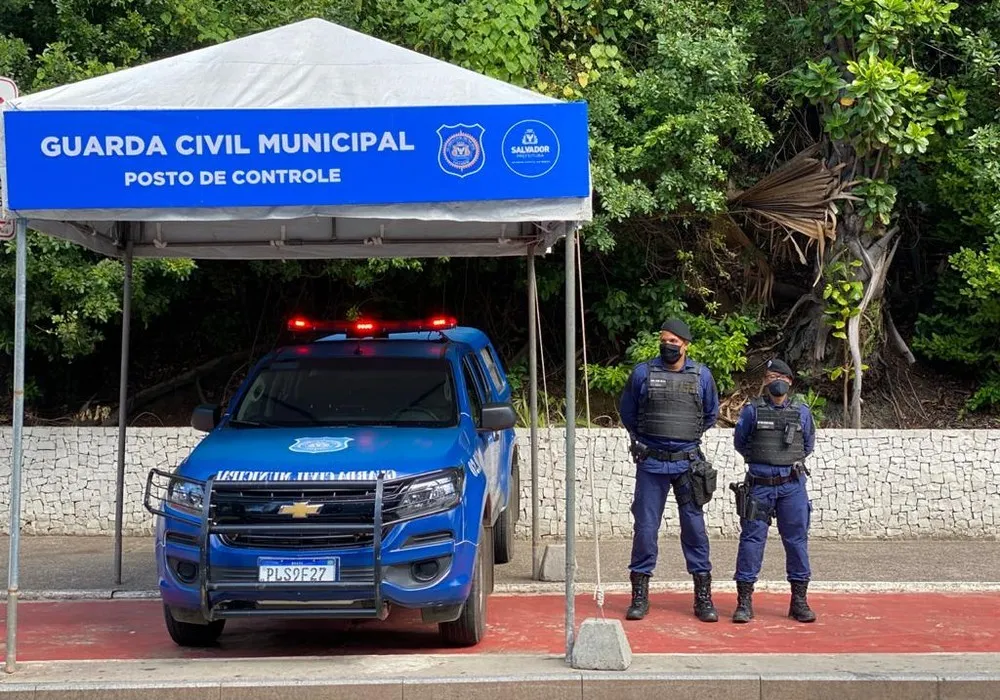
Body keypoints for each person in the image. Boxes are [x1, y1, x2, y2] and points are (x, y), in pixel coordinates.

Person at [618, 318, 720, 622]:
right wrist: (646, 441)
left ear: (686, 345)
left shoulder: (702, 376)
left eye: (674, 342)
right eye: (664, 340)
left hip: (688, 463)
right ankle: (639, 596)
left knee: (695, 529)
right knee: (646, 530)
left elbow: (710, 414)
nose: (668, 346)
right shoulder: (642, 373)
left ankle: (703, 598)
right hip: (651, 463)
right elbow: (628, 413)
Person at [731, 358, 817, 624]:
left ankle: (799, 601)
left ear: (790, 382)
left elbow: (808, 444)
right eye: (769, 376)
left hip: (791, 486)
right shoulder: (752, 411)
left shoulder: (802, 411)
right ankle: (744, 601)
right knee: (751, 542)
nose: (775, 381)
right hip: (759, 486)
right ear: (764, 382)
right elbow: (741, 442)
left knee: (797, 542)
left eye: (780, 376)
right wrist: (763, 462)